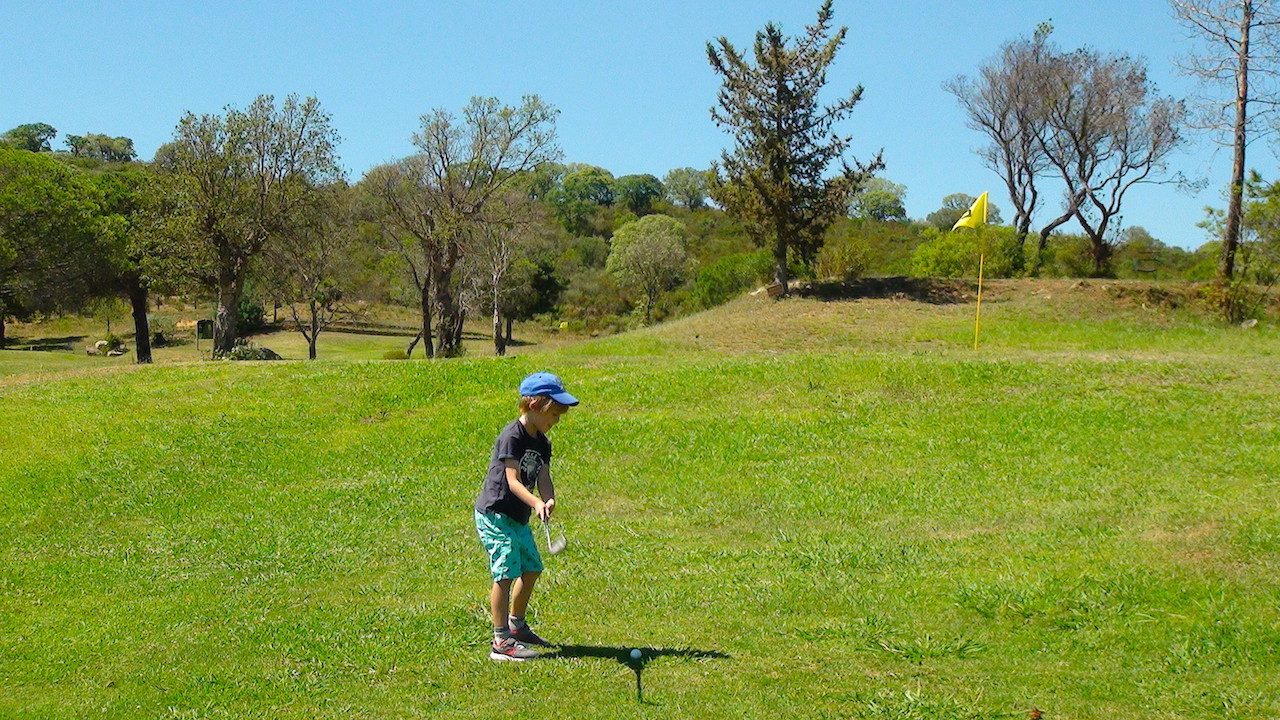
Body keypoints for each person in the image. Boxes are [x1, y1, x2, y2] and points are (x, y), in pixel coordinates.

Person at [474, 371, 579, 661]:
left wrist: (548, 498)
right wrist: (535, 502)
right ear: (535, 405)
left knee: (532, 569)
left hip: (518, 517)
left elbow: (543, 475)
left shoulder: (542, 442)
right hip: (496, 514)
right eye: (554, 414)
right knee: (505, 572)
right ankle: (500, 642)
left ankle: (516, 627)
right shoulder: (512, 437)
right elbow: (513, 480)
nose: (556, 421)